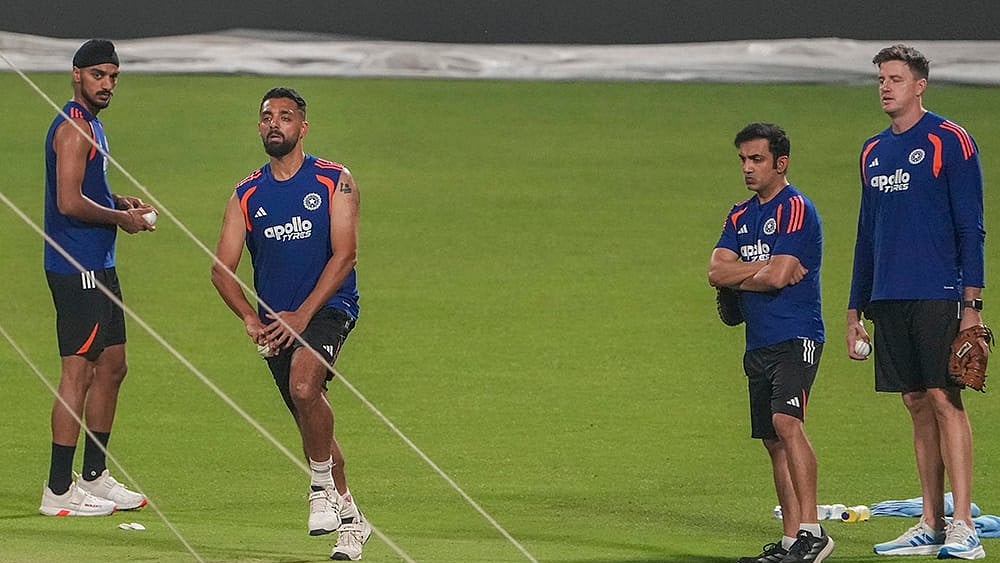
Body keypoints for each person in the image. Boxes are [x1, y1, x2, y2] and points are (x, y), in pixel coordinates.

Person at [211, 87, 371, 561]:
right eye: (267, 117)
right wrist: (249, 317)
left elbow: (346, 255)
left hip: (328, 308)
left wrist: (303, 314)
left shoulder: (335, 180)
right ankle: (352, 521)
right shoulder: (246, 194)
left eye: (285, 116)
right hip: (277, 326)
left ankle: (319, 487)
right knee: (311, 421)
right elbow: (221, 269)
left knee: (304, 386)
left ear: (303, 127)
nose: (274, 124)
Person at [847, 44, 986, 560]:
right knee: (914, 402)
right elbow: (866, 234)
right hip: (889, 295)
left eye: (896, 79)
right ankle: (930, 520)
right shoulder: (871, 151)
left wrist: (972, 304)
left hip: (938, 292)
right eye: (881, 79)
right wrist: (855, 309)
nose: (885, 87)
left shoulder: (950, 140)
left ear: (920, 85)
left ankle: (964, 523)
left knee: (945, 399)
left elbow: (971, 226)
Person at [39, 39, 154, 517]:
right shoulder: (72, 127)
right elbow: (68, 201)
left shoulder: (92, 124)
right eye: (98, 75)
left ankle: (94, 475)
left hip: (99, 264)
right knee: (79, 372)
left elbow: (87, 189)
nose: (107, 84)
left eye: (113, 76)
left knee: (113, 366)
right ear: (76, 75)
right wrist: (119, 219)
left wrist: (116, 200)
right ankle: (57, 490)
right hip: (75, 266)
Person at [709, 123, 833, 563]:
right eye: (743, 159)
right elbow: (715, 271)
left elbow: (779, 276)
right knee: (772, 440)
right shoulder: (739, 215)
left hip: (796, 336)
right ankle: (789, 540)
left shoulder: (795, 208)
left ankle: (813, 532)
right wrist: (761, 269)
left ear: (781, 163)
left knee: (786, 423)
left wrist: (746, 272)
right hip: (758, 341)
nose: (747, 167)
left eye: (756, 159)